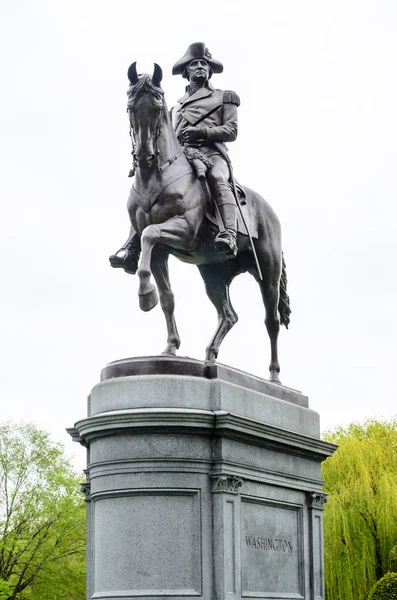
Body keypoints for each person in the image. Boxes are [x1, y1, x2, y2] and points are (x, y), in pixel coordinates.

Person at [171, 42, 240, 257]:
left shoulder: (224, 97)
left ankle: (230, 233)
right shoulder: (174, 108)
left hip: (213, 154)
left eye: (204, 63)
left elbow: (231, 130)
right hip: (182, 157)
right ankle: (133, 245)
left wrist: (201, 133)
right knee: (151, 184)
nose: (200, 66)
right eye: (195, 64)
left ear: (209, 70)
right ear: (186, 72)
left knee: (216, 177)